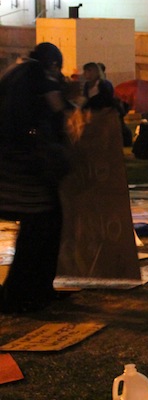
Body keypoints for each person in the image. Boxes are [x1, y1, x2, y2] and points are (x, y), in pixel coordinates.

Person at [0, 42, 72, 313]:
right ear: (53, 64)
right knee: (43, 227)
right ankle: (25, 292)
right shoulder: (38, 77)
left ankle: (30, 290)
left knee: (39, 228)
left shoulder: (13, 73)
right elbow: (58, 109)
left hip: (12, 164)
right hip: (25, 169)